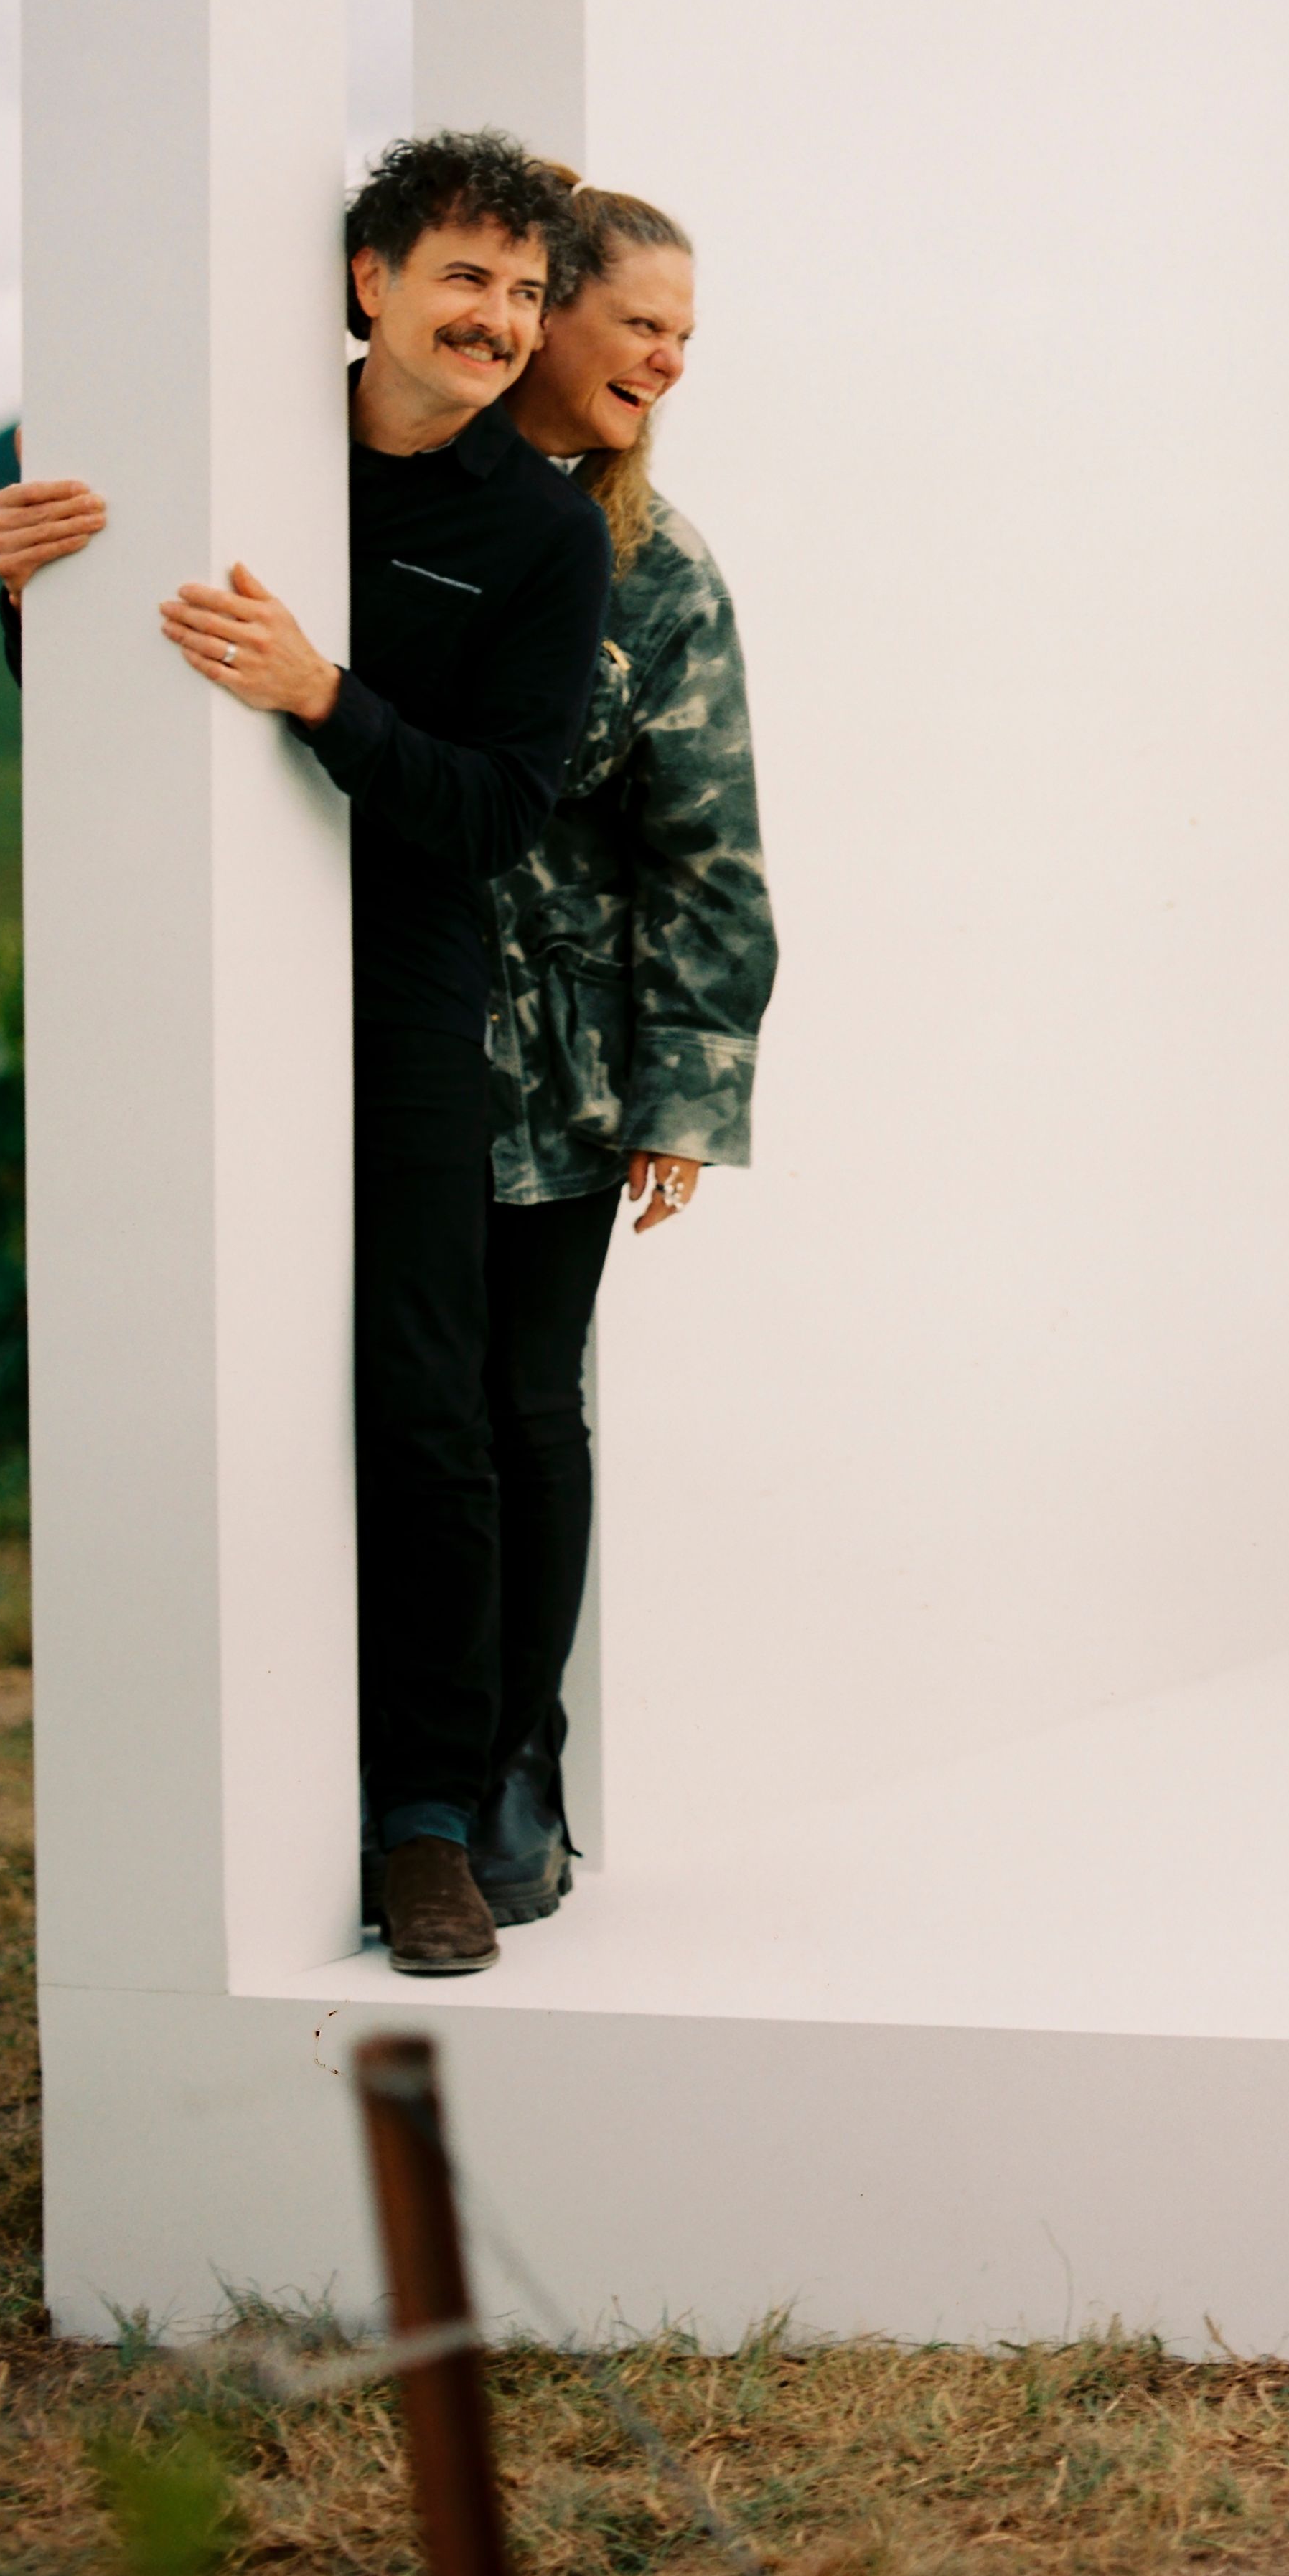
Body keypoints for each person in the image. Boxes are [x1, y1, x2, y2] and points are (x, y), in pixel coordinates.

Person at [0, 129, 611, 1976]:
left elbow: (504, 813)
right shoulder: (230, 447)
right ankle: (187, 1781)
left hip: (405, 995)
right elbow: (119, 693)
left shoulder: (541, 531)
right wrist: (33, 598)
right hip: (198, 976)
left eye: (522, 290)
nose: (497, 320)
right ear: (369, 282)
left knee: (425, 1399)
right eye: (463, 278)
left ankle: (425, 1817)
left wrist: (330, 698)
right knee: (200, 1370)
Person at [454, 182, 773, 1934]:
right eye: (641, 321)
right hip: (367, 1044)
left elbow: (708, 846)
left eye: (684, 339)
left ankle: (516, 1761)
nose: (665, 359)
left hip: (558, 1084)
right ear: (542, 313)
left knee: (523, 1405)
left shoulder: (660, 567)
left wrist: (682, 1092)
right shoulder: (383, 503)